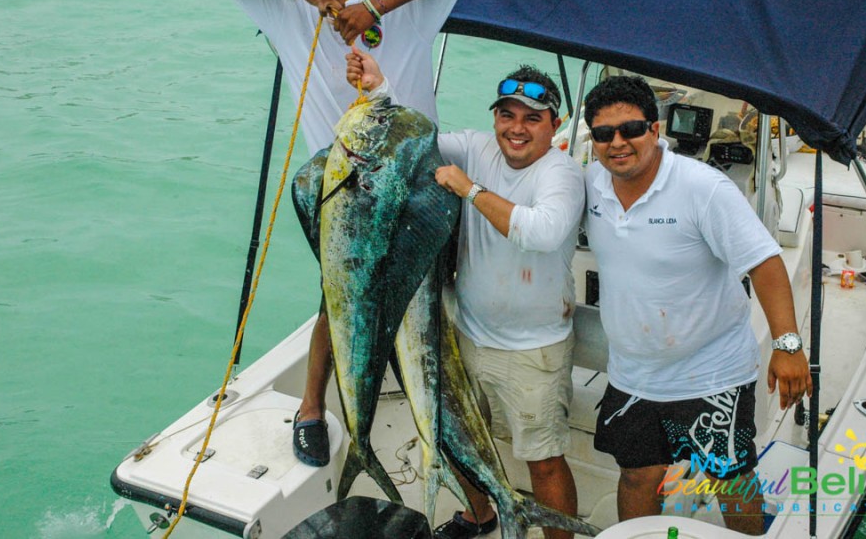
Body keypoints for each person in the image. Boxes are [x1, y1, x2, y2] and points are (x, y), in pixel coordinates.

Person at [208, 0, 468, 468]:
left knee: (428, 296)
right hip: (342, 190)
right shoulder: (288, 11)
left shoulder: (405, 4)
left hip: (417, 184)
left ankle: (440, 417)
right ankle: (311, 408)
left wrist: (371, 5)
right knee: (336, 298)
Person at [346, 50, 585, 539]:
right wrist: (378, 89)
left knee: (543, 461)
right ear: (494, 118)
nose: (516, 129)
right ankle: (481, 515)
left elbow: (540, 232)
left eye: (532, 119)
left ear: (553, 124)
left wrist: (469, 190)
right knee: (455, 444)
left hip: (532, 350)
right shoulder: (475, 147)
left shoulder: (561, 174)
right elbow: (412, 140)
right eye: (507, 115)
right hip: (466, 338)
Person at [581, 75, 813, 535]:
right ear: (592, 141)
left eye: (630, 129)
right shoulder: (592, 182)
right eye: (604, 134)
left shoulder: (703, 188)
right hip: (633, 373)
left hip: (712, 373)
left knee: (731, 479)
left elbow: (765, 263)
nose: (618, 143)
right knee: (636, 474)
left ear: (655, 128)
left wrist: (788, 346)